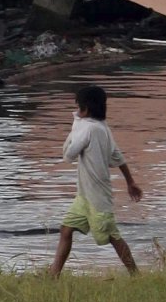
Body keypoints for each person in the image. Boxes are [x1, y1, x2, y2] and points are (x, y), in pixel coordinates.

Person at [49, 84, 143, 276]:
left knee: (112, 236)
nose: (76, 111)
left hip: (98, 197)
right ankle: (53, 276)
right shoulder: (103, 128)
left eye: (78, 107)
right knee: (66, 230)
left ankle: (135, 275)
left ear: (85, 109)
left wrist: (75, 125)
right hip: (84, 196)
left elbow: (68, 155)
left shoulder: (90, 129)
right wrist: (130, 182)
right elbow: (118, 157)